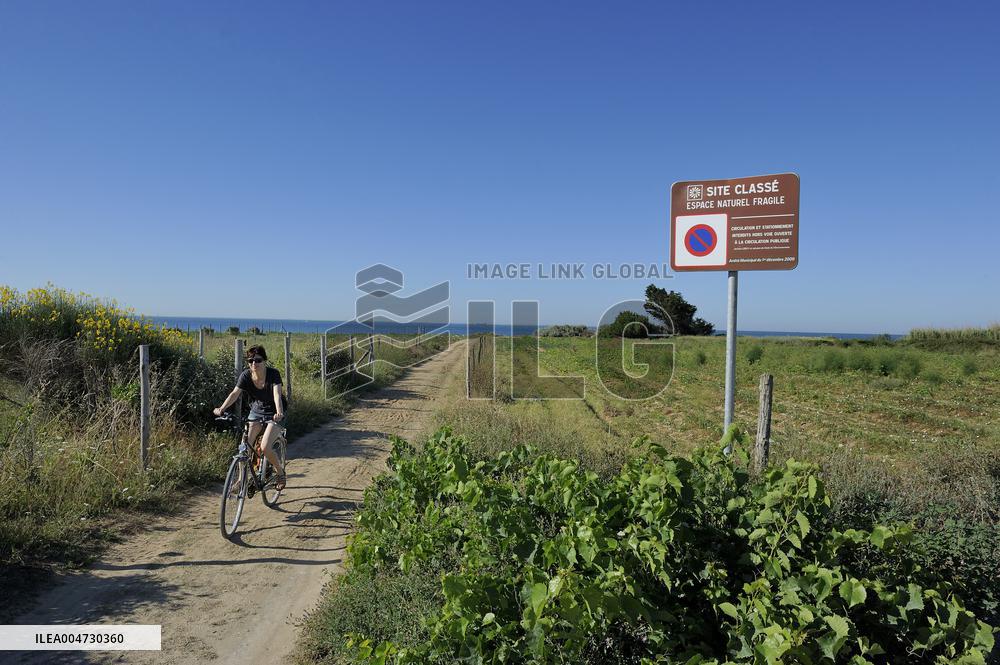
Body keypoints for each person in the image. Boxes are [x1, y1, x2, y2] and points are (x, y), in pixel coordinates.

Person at [214, 345, 287, 490]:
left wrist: (279, 412)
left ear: (265, 361)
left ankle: (280, 472)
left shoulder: (273, 374)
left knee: (266, 446)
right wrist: (222, 408)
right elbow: (235, 393)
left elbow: (277, 395)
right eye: (251, 360)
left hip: (275, 412)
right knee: (244, 446)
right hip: (257, 411)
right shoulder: (246, 375)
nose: (254, 363)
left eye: (258, 360)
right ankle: (242, 480)